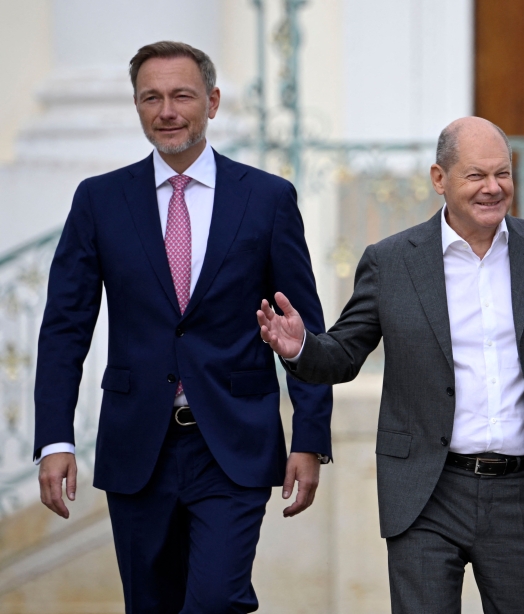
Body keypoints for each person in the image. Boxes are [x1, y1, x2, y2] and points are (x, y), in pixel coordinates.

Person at [257, 116, 524, 613]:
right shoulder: (391, 261)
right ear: (439, 179)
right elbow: (343, 355)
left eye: (503, 174)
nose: (494, 188)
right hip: (425, 491)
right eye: (476, 176)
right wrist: (300, 348)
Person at [34, 41, 332, 612]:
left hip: (233, 442)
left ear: (212, 102)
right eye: (151, 97)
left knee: (217, 599)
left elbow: (304, 330)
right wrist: (55, 438)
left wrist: (311, 439)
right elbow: (64, 328)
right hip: (136, 446)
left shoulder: (267, 199)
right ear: (138, 106)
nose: (166, 110)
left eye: (181, 95)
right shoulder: (99, 200)